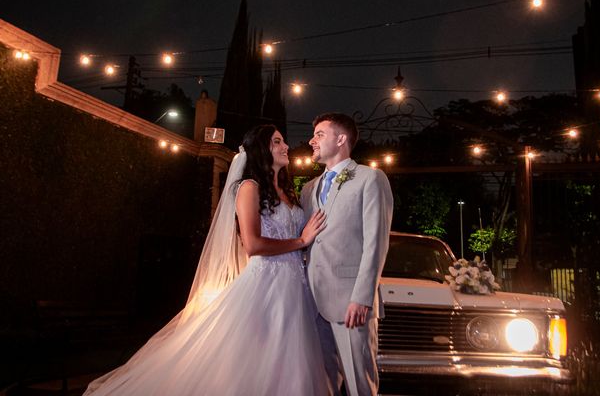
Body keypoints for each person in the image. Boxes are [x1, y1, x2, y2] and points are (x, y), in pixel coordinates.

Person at [84, 125, 328, 395]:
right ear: (261, 150)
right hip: (266, 286)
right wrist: (301, 241)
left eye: (283, 142)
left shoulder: (289, 192)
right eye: (277, 142)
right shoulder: (249, 188)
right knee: (256, 361)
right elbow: (253, 244)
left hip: (295, 288)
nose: (285, 147)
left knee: (290, 363)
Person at [301, 113, 394, 396]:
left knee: (359, 384)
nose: (311, 140)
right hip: (312, 303)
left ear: (341, 139)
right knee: (322, 383)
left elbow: (375, 243)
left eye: (319, 134)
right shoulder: (308, 189)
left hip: (351, 302)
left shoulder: (370, 178)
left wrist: (362, 297)